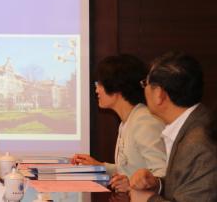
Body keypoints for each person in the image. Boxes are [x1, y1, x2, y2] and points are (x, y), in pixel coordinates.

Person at [130, 52, 217, 202]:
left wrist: (148, 200)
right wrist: (157, 185)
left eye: (146, 83)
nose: (144, 89)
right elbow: (188, 184)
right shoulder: (194, 124)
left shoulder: (200, 141)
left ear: (159, 94)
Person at [71, 54, 166, 192]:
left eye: (99, 84)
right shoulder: (127, 121)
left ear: (116, 86)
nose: (96, 90)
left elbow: (163, 174)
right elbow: (129, 169)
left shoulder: (145, 122)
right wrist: (99, 167)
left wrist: (131, 186)